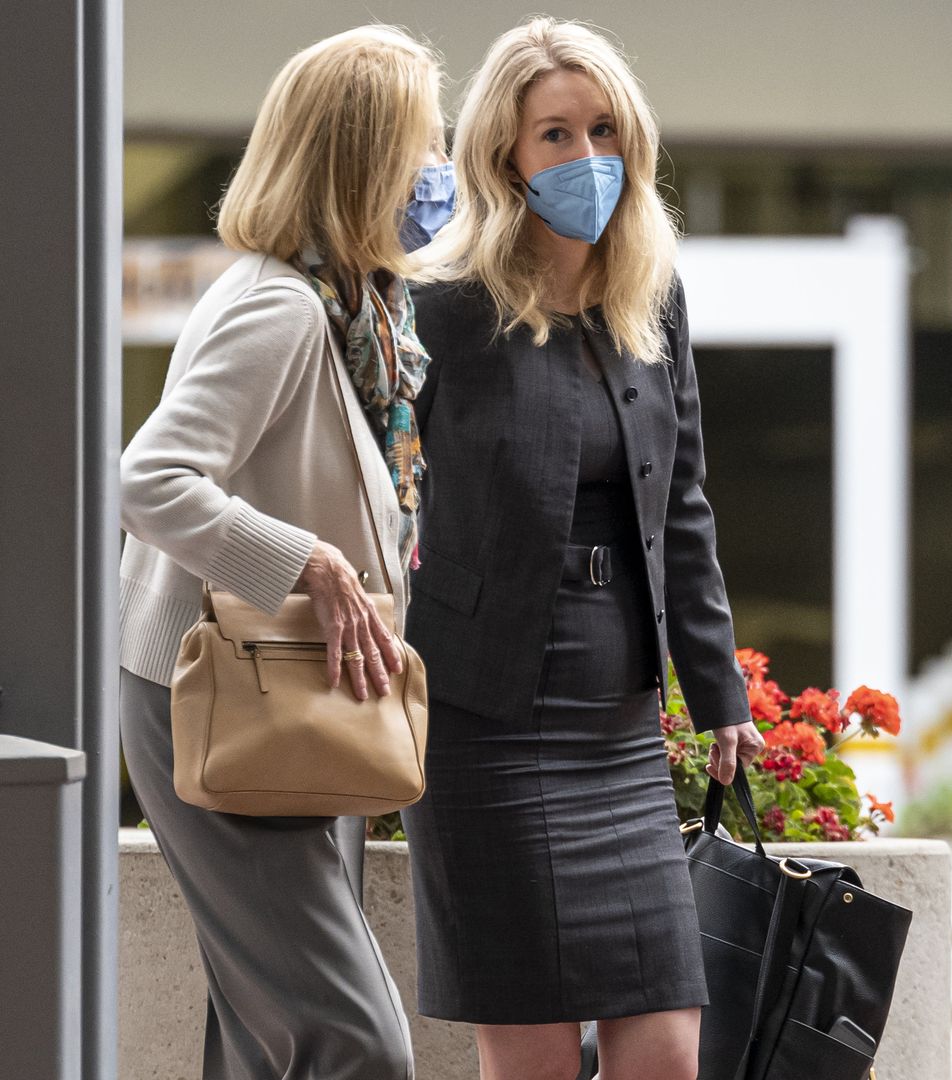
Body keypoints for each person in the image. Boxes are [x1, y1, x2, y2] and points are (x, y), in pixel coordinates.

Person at [400, 17, 765, 1080]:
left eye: (603, 129)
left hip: (615, 715)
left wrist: (718, 689)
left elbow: (681, 502)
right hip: (481, 714)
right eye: (554, 134)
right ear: (504, 154)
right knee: (537, 1059)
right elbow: (382, 493)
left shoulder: (650, 296)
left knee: (666, 1048)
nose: (585, 158)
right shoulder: (441, 305)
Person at [117, 26, 451, 1080]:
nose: (438, 176)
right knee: (354, 1044)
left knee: (269, 1039)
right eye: (422, 147)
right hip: (226, 689)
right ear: (359, 160)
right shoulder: (279, 306)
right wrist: (309, 563)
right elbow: (150, 481)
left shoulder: (353, 308)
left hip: (296, 689)